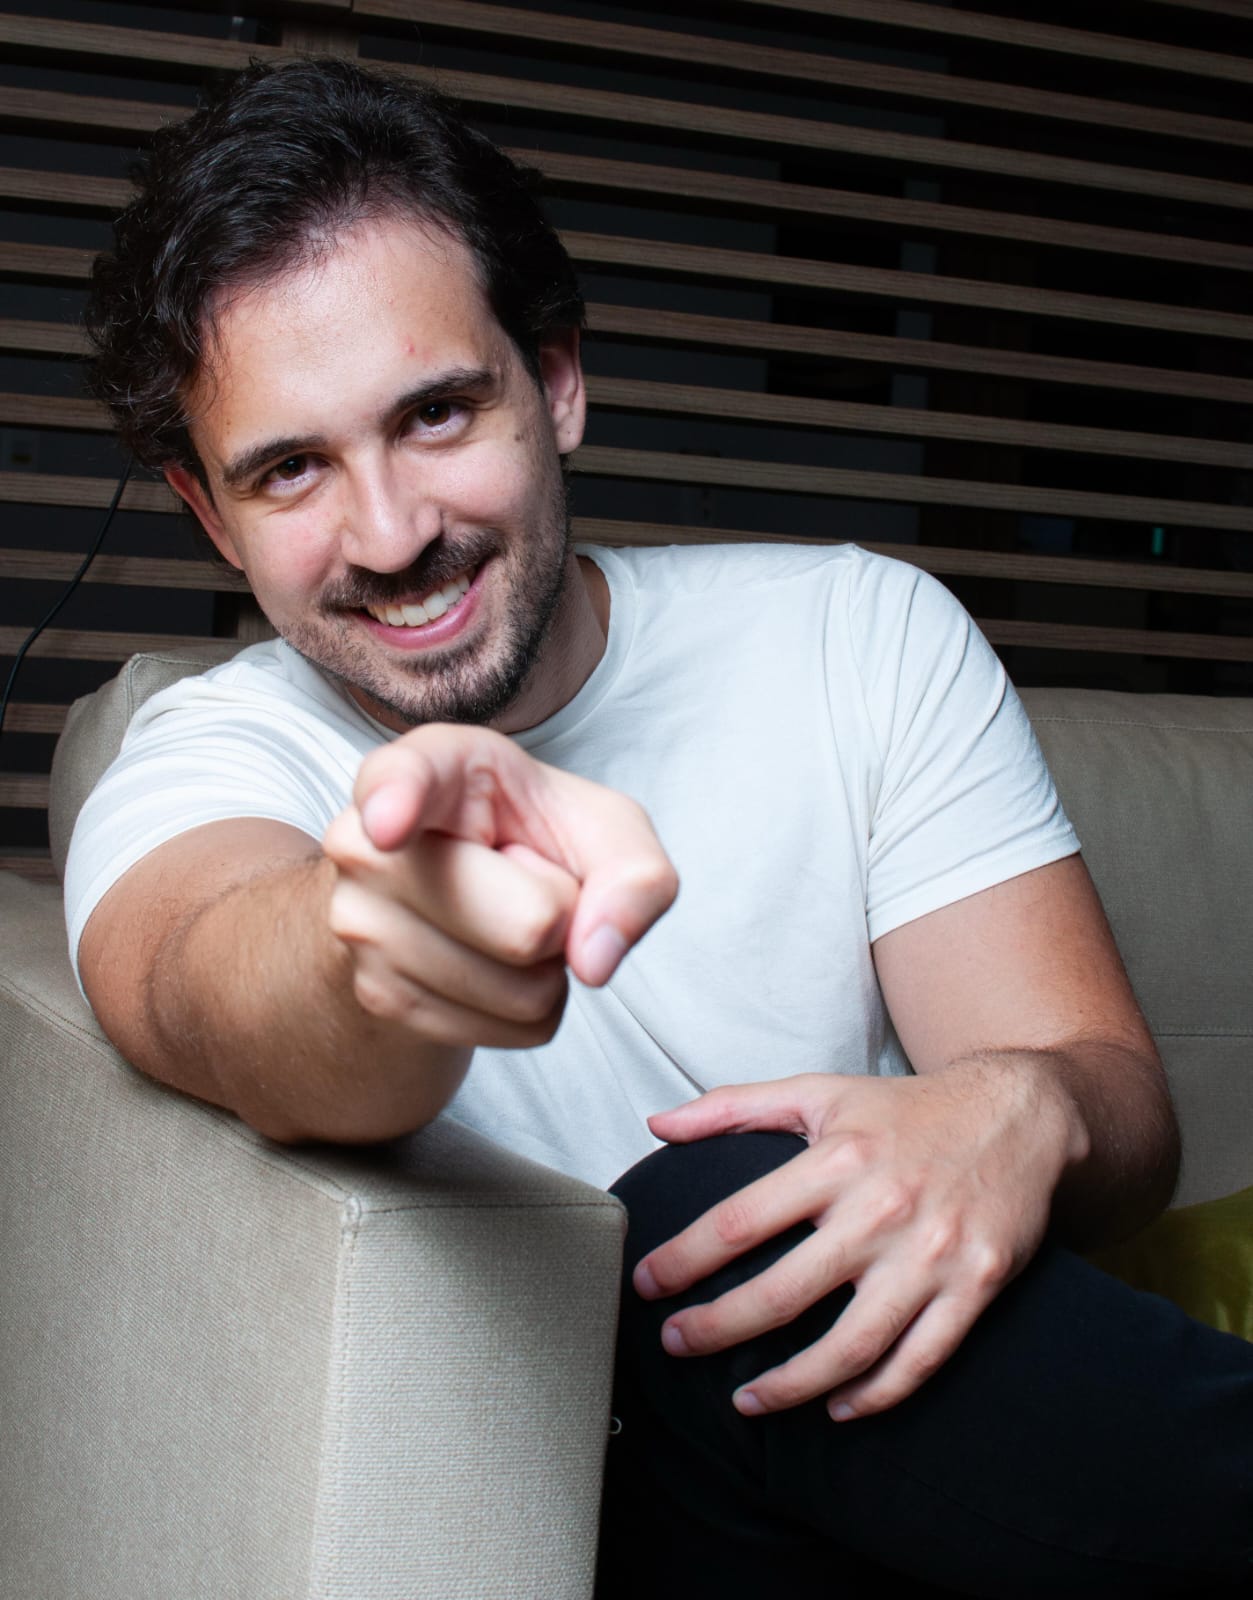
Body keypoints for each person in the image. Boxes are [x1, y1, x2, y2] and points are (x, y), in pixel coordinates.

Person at [68, 57, 1251, 1597]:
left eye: (436, 414)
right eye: (290, 470)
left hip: (955, 1478)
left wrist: (1024, 1105)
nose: (392, 533)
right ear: (210, 515)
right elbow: (201, 977)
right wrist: (378, 944)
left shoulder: (855, 634)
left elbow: (1116, 1112)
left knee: (772, 1199)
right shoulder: (203, 759)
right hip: (608, 1496)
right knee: (699, 1213)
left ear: (555, 383)